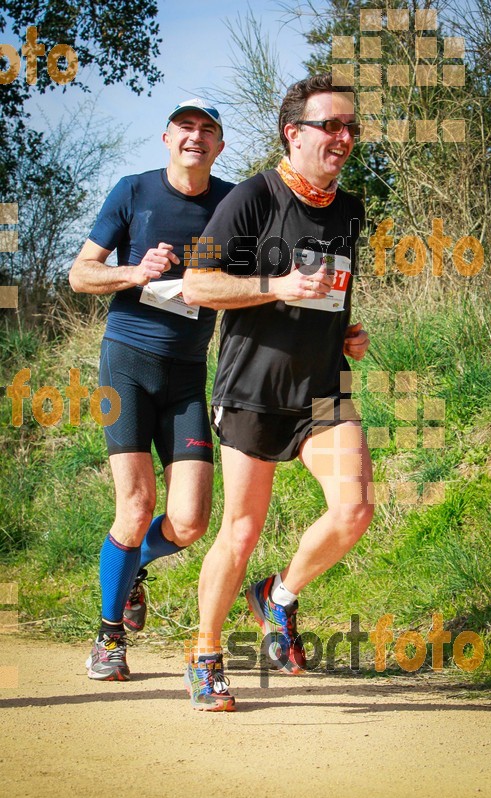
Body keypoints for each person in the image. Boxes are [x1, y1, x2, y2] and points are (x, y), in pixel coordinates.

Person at [181, 75, 373, 711]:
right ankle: (206, 654)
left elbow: (334, 287)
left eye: (351, 127)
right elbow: (198, 285)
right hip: (253, 392)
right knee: (240, 530)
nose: (344, 138)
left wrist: (347, 329)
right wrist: (277, 285)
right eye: (331, 126)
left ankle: (278, 597)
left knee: (353, 513)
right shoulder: (251, 198)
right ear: (294, 133)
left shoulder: (350, 208)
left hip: (323, 390)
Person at [69, 98, 233, 681]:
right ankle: (108, 638)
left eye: (207, 131)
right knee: (135, 506)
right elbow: (79, 272)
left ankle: (131, 565)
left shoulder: (232, 203)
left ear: (219, 146)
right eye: (185, 127)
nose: (195, 137)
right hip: (128, 363)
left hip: (189, 372)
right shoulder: (132, 191)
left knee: (188, 522)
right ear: (167, 138)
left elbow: (257, 280)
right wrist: (134, 273)